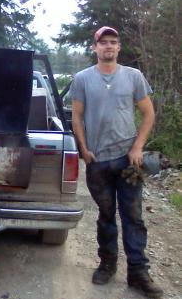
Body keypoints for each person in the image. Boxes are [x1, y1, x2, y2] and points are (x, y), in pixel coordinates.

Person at [70, 27, 163, 298]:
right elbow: (77, 117)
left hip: (127, 160)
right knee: (106, 216)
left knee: (133, 217)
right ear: (94, 47)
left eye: (113, 43)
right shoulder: (82, 79)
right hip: (97, 161)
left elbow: (148, 114)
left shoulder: (133, 77)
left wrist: (137, 147)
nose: (108, 47)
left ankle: (138, 273)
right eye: (103, 43)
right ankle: (107, 264)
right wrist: (84, 149)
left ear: (118, 48)